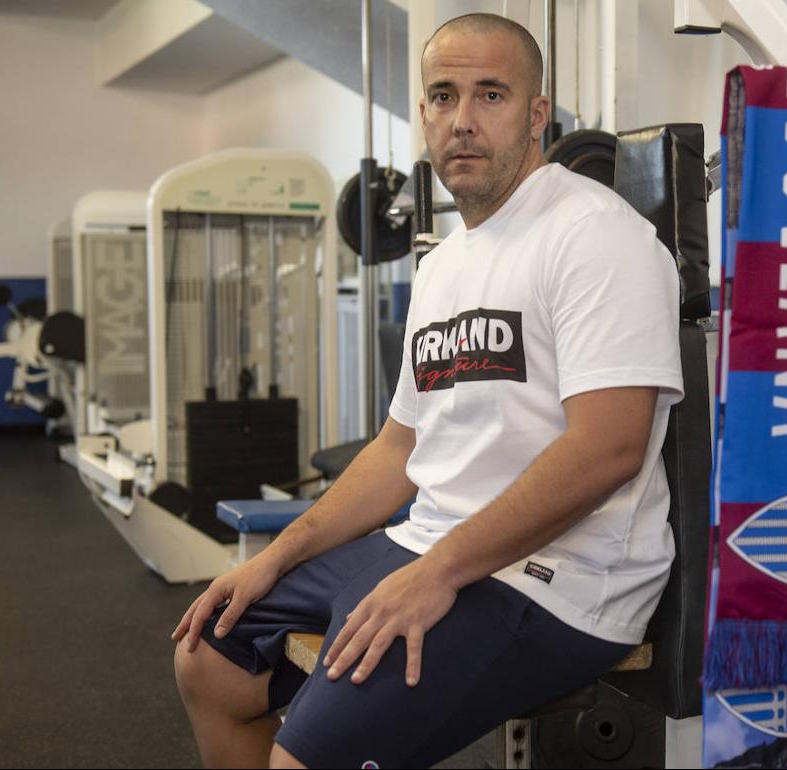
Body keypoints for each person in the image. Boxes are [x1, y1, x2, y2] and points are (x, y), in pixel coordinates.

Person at [171, 12, 683, 769]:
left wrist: (437, 573)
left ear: (538, 113)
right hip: (427, 545)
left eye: (491, 96)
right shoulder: (444, 264)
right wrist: (274, 557)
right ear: (423, 113)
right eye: (443, 97)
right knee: (210, 655)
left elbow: (607, 448)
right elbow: (398, 448)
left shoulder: (594, 235)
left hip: (559, 582)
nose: (463, 121)